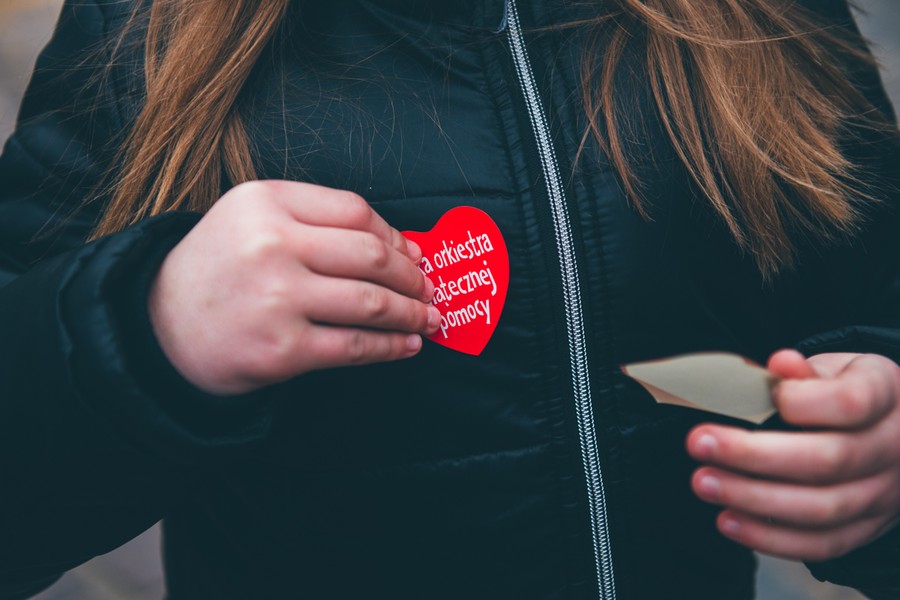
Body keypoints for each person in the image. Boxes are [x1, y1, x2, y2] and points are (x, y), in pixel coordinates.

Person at [2, 0, 900, 598]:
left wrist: (878, 443)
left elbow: (866, 296)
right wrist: (146, 329)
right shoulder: (146, 32)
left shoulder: (764, 16)